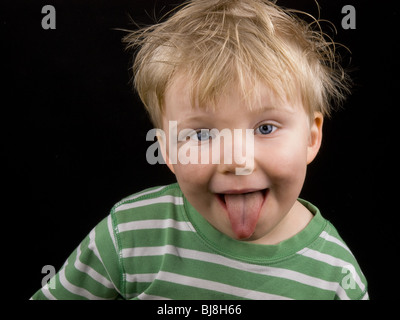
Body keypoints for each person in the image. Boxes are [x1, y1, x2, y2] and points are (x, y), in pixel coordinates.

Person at [31, 0, 368, 300]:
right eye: (203, 134)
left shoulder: (336, 276)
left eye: (265, 128)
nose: (236, 160)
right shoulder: (128, 234)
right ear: (167, 150)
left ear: (311, 138)